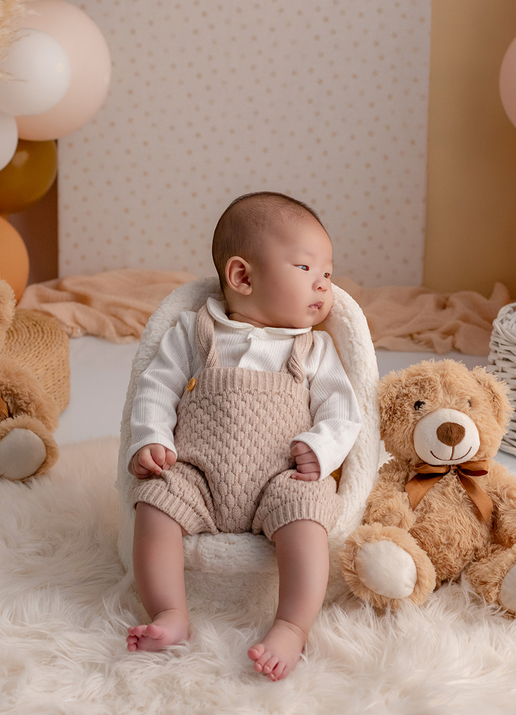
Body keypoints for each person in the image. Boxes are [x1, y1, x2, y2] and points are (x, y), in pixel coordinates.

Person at [125, 191, 361, 681]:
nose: (323, 284)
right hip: (196, 473)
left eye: (328, 273)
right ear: (242, 277)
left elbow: (344, 410)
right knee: (153, 502)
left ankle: (292, 625)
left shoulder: (312, 348)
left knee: (309, 515)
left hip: (280, 479)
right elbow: (155, 387)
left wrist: (319, 449)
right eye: (305, 268)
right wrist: (151, 439)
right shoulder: (194, 332)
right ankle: (170, 611)